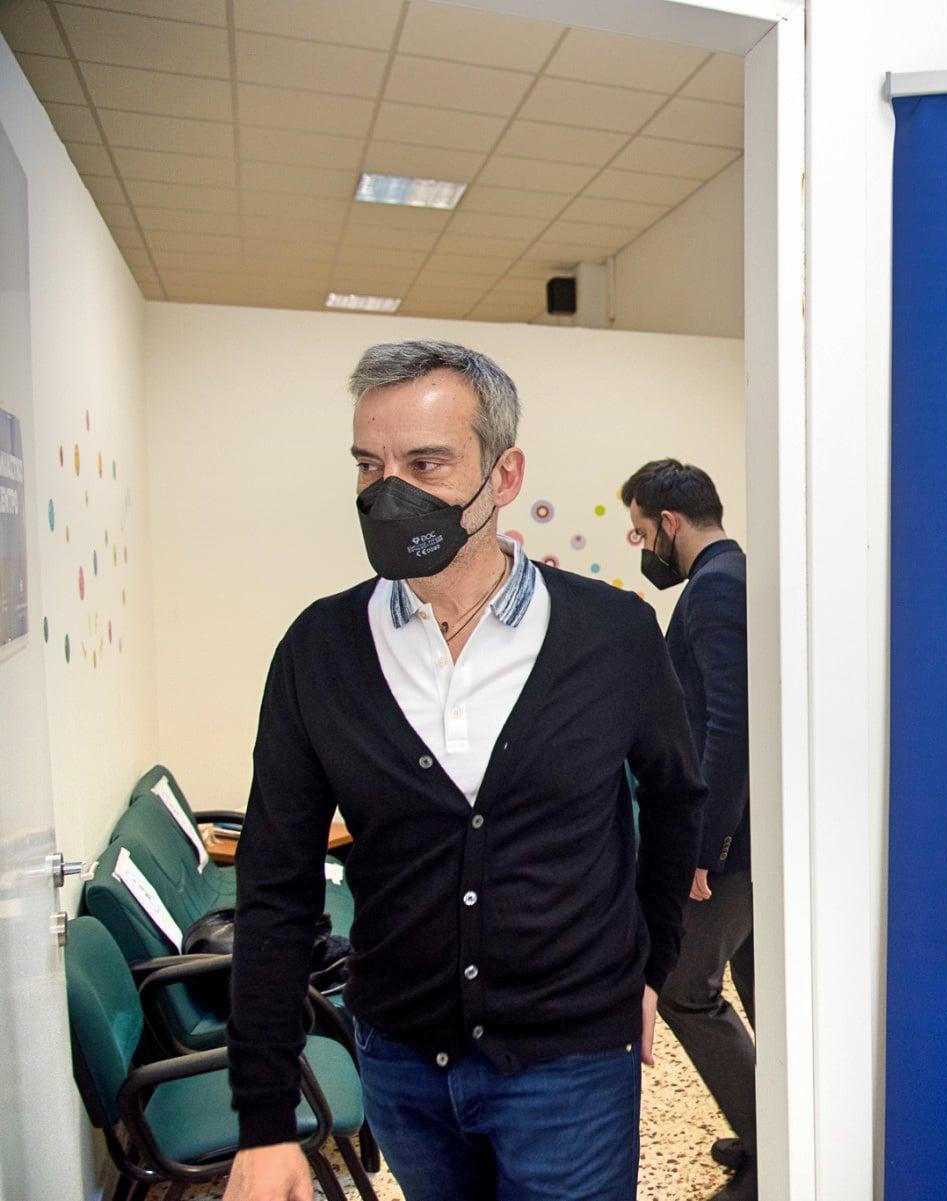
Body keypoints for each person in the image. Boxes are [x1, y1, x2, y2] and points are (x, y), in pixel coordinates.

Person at [224, 341, 706, 1201]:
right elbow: (274, 881)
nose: (389, 492)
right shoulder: (320, 650)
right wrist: (264, 1117)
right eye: (369, 465)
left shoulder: (614, 636)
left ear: (504, 475)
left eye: (426, 463)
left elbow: (675, 801)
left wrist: (648, 967)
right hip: (402, 1065)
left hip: (571, 1068)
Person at [622, 460, 757, 1200]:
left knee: (682, 988)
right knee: (756, 983)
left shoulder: (715, 588)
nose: (644, 546)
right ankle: (778, 1128)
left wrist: (704, 849)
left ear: (669, 522)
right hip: (748, 834)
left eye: (642, 531)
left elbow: (729, 727)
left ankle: (770, 1153)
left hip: (730, 842)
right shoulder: (733, 576)